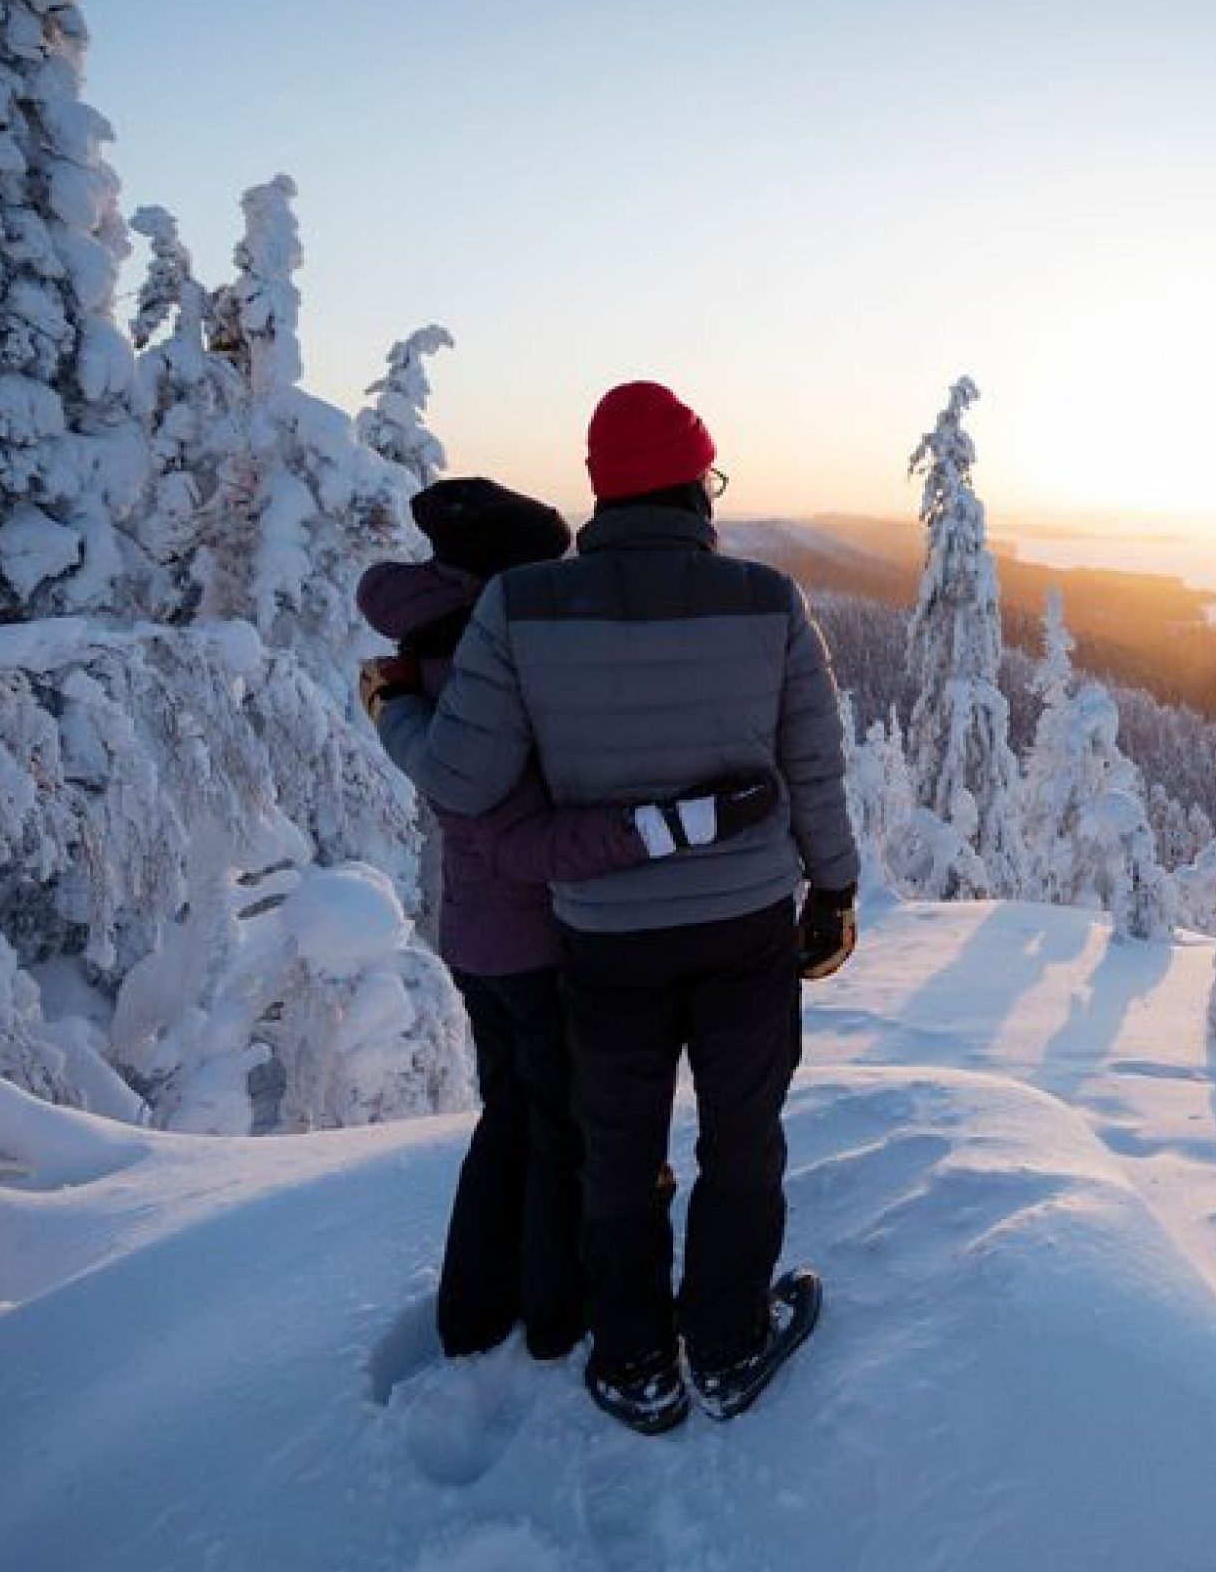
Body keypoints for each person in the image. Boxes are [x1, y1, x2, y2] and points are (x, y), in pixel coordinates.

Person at [372, 382, 860, 1434]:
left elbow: (463, 780)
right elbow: (813, 765)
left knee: (618, 1145)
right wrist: (835, 887)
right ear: (696, 481)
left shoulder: (522, 606)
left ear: (602, 488)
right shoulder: (768, 598)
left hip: (604, 933)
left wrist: (397, 708)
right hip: (742, 926)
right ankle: (727, 1346)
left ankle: (635, 1359)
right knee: (744, 1135)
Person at [357, 476, 771, 1365]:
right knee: (563, 1134)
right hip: (533, 939)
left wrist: (393, 710)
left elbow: (454, 784)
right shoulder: (487, 653)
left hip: (477, 936)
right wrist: (672, 827)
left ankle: (473, 1312)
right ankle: (554, 1315)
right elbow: (523, 841)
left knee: (512, 1118)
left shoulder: (433, 644)